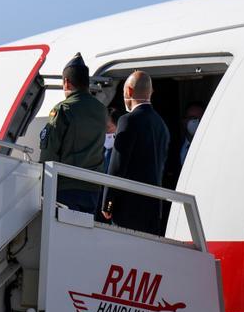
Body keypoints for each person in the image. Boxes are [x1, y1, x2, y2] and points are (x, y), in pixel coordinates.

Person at [102, 70, 170, 235]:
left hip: (129, 207)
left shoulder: (127, 120)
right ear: (151, 92)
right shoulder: (161, 125)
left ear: (129, 92)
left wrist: (108, 203)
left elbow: (118, 165)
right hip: (153, 208)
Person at [39, 53, 107, 213]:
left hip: (65, 187)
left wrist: (41, 184)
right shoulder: (101, 110)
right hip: (92, 189)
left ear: (66, 82)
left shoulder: (63, 109)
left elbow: (49, 151)